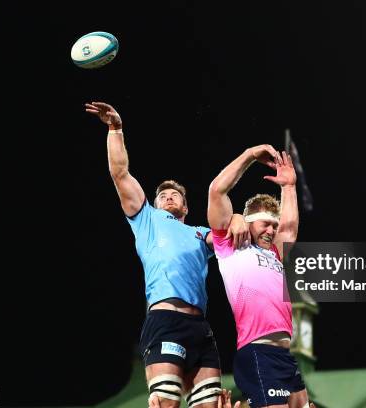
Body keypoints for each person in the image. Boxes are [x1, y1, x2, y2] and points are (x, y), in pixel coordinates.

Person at [85, 101, 250, 408]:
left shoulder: (200, 233)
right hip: (164, 321)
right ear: (156, 203)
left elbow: (235, 236)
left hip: (201, 328)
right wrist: (115, 129)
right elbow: (120, 174)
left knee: (211, 406)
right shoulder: (145, 218)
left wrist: (239, 217)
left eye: (175, 194)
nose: (168, 195)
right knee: (165, 404)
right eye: (162, 194)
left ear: (185, 207)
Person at [207, 145, 311, 408]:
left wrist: (288, 187)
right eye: (265, 223)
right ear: (250, 222)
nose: (271, 230)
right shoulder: (231, 245)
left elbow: (289, 228)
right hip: (258, 351)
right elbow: (216, 191)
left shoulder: (274, 253)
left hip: (284, 356)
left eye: (273, 225)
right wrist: (250, 155)